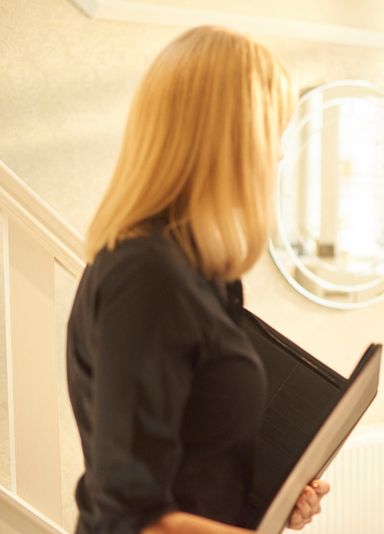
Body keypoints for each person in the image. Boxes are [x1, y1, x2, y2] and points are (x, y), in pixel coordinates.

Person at [66, 26, 328, 534]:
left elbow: (193, 469)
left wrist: (266, 501)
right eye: (271, 134)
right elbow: (132, 516)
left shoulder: (201, 279)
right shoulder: (147, 279)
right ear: (224, 139)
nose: (276, 156)